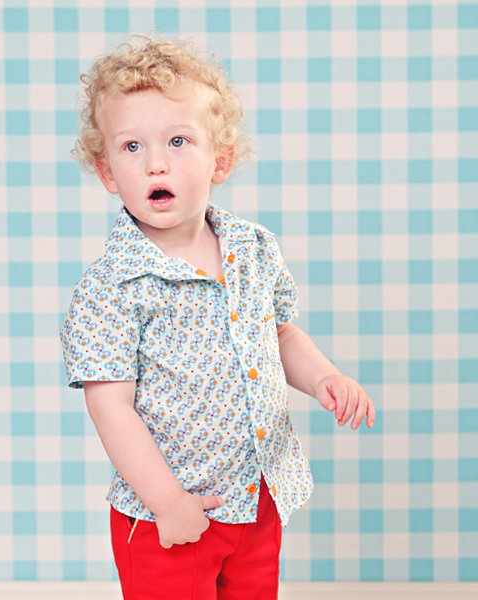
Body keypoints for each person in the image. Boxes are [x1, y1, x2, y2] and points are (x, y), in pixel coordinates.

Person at [60, 35, 375, 600]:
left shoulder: (253, 249)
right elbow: (110, 407)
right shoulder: (111, 288)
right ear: (107, 172)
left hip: (254, 496)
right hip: (170, 512)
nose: (155, 162)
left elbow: (278, 333)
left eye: (178, 140)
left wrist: (323, 376)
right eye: (132, 146)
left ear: (220, 161)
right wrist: (168, 503)